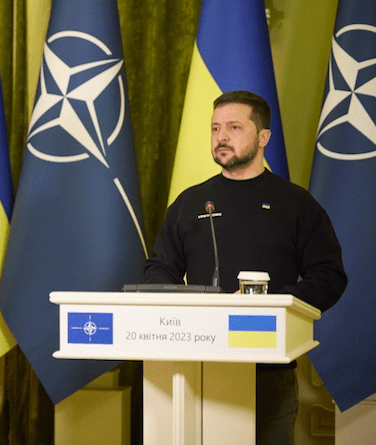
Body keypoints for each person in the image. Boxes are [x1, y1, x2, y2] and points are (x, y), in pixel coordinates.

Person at [142, 90, 347, 444]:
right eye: (215, 128)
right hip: (198, 365)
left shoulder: (296, 205)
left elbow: (329, 276)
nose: (221, 137)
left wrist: (274, 303)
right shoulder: (191, 203)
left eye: (234, 127)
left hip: (268, 369)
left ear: (263, 137)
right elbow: (159, 271)